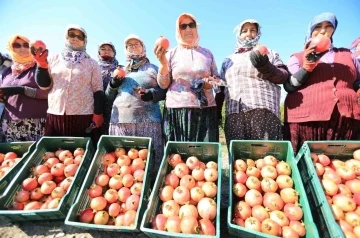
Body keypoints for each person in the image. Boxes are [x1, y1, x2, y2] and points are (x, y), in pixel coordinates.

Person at [283, 12, 360, 153]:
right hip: (307, 121)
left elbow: (357, 83)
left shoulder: (348, 55)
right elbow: (289, 86)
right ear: (311, 30)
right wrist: (307, 67)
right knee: (307, 163)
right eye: (318, 26)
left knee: (340, 163)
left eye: (328, 26)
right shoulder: (297, 57)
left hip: (345, 120)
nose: (323, 30)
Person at [216, 19, 289, 147]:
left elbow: (283, 76)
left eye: (253, 30)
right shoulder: (228, 60)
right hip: (234, 115)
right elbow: (221, 89)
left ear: (258, 33)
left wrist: (265, 65)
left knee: (266, 160)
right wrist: (216, 113)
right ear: (239, 34)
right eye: (244, 31)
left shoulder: (268, 53)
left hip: (263, 112)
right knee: (239, 162)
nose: (248, 34)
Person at [154, 13, 220, 143]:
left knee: (205, 157)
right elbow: (163, 84)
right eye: (183, 26)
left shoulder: (207, 53)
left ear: (196, 28)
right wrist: (163, 63)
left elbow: (217, 79)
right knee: (178, 158)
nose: (188, 29)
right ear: (178, 31)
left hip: (205, 110)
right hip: (177, 111)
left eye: (191, 25)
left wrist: (210, 83)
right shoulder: (171, 53)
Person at [33, 24, 104, 143]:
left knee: (81, 153)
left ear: (85, 41)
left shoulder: (92, 63)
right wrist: (41, 66)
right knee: (54, 154)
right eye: (71, 35)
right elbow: (44, 85)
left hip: (83, 116)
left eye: (80, 36)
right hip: (56, 114)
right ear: (66, 37)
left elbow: (98, 90)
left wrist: (98, 114)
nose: (75, 38)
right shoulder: (53, 59)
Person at [106, 34, 166, 170]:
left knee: (149, 160)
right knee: (124, 164)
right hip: (120, 122)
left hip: (148, 122)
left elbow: (164, 90)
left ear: (143, 47)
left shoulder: (153, 68)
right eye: (129, 45)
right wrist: (113, 83)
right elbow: (108, 95)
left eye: (136, 44)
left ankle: (152, 185)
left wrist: (151, 95)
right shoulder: (121, 69)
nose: (133, 47)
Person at [0, 35, 48, 142]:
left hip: (37, 122)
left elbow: (50, 93)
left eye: (26, 45)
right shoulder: (6, 72)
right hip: (10, 123)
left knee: (37, 157)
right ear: (11, 48)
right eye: (17, 45)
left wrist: (22, 90)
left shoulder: (41, 67)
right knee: (13, 157)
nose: (22, 48)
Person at [97, 41, 122, 135]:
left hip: (115, 108)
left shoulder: (120, 69)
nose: (106, 51)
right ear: (99, 52)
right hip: (97, 107)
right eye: (103, 49)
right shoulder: (93, 67)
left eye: (109, 49)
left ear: (114, 53)